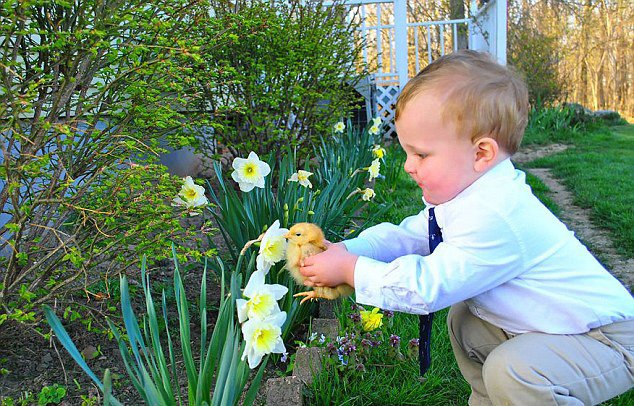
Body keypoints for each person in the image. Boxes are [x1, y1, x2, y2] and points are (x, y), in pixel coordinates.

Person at [298, 50, 634, 405]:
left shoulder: (498, 214)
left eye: (421, 154)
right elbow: (412, 236)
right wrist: (351, 251)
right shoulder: (468, 195)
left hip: (606, 340)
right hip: (556, 328)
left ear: (481, 154)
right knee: (466, 322)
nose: (409, 166)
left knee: (514, 370)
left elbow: (428, 287)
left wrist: (351, 270)